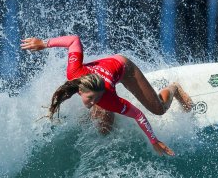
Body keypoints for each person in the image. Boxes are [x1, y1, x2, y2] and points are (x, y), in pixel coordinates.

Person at [21, 35, 192, 156]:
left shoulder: (108, 99)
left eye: (96, 99)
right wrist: (44, 43)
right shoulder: (74, 73)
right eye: (90, 98)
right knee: (104, 129)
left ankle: (174, 88)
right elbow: (74, 40)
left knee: (158, 109)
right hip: (100, 77)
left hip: (124, 67)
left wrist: (154, 141)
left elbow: (138, 115)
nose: (93, 101)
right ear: (80, 90)